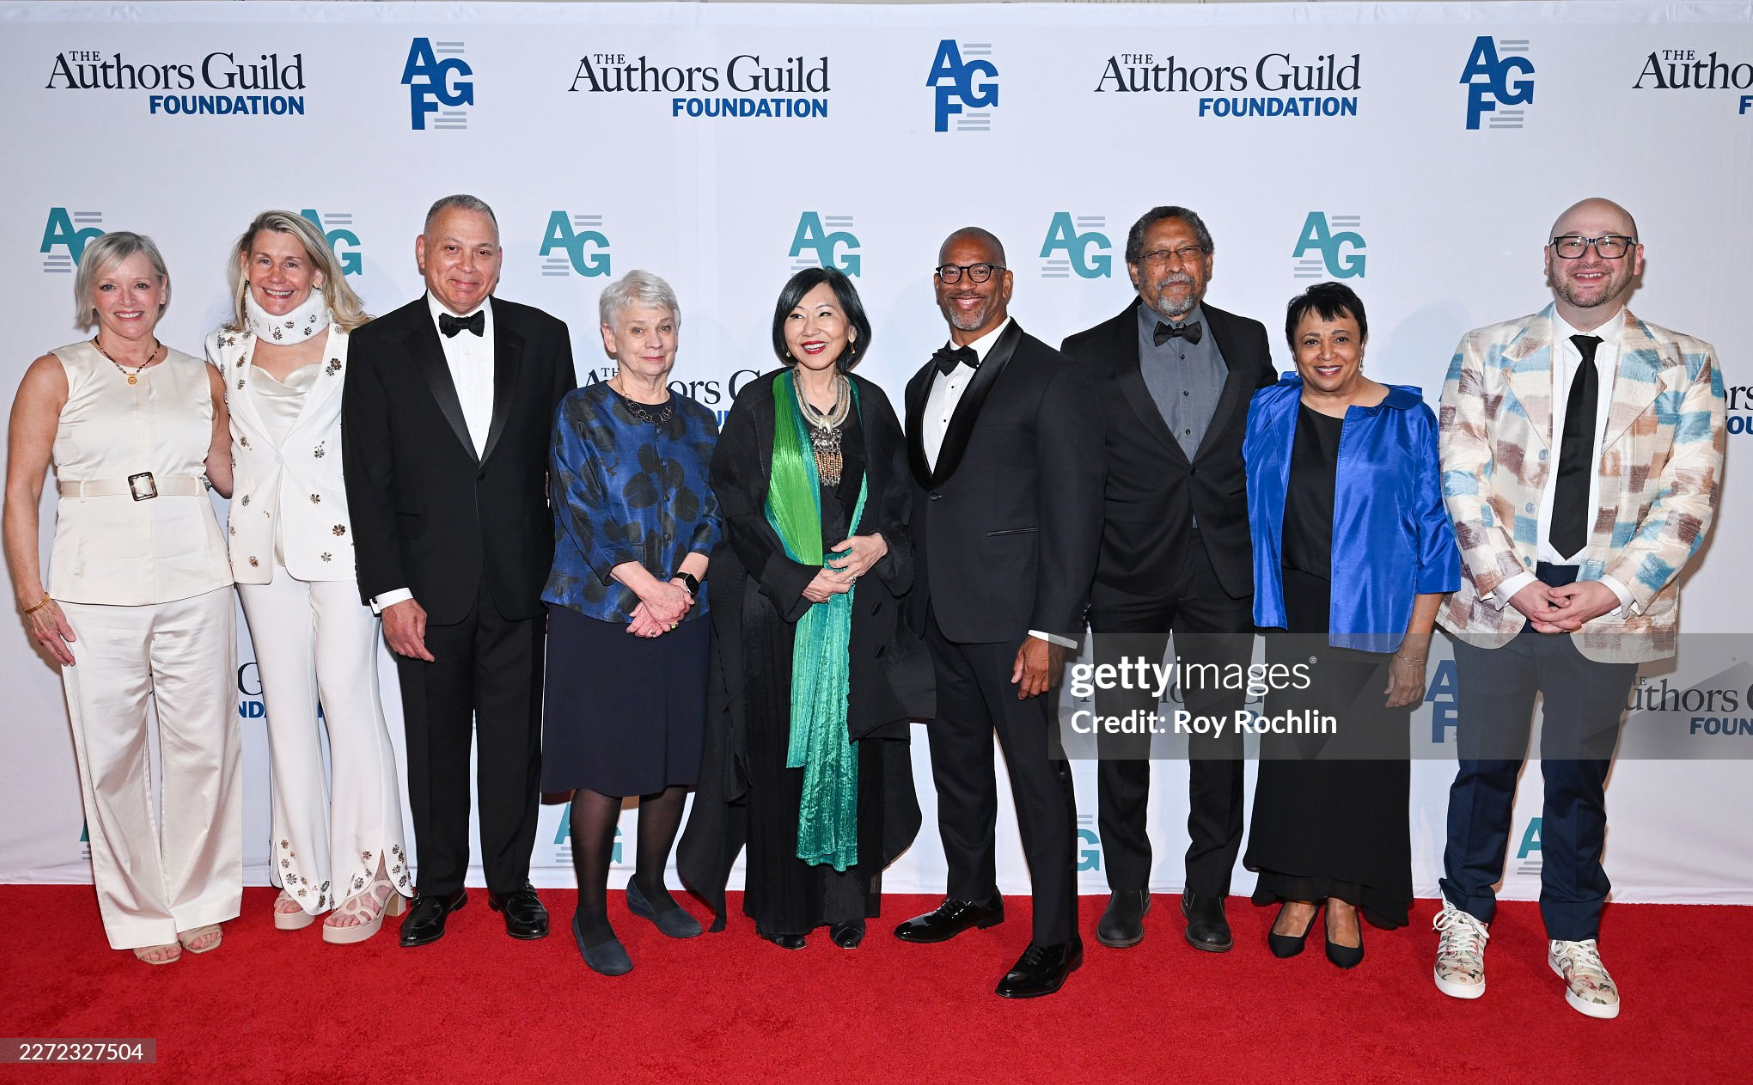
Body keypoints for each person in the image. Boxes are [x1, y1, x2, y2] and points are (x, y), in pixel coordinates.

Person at [1434, 198, 1725, 1018]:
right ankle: (1464, 914)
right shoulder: (1486, 352)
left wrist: (1611, 590)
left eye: (1607, 243)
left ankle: (1572, 934)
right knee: (1482, 773)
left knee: (1574, 785)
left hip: (1611, 613)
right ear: (1547, 257)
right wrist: (1512, 583)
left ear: (1637, 258)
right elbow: (1458, 478)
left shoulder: (1687, 364)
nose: (1588, 256)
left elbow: (1688, 498)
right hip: (1499, 605)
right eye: (1572, 242)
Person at [342, 194, 576, 948]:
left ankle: (512, 884)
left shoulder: (545, 337)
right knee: (435, 749)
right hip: (424, 591)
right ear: (421, 251)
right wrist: (389, 592)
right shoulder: (378, 346)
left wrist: (565, 581)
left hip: (520, 584)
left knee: (514, 746)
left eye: (482, 251)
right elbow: (366, 479)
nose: (466, 266)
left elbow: (566, 473)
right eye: (451, 249)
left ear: (500, 259)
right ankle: (438, 887)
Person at [679, 268, 929, 952]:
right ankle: (784, 906)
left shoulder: (874, 405)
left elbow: (902, 508)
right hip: (775, 615)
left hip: (858, 619)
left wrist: (879, 544)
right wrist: (795, 579)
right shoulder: (757, 405)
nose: (810, 328)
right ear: (782, 330)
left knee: (852, 758)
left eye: (825, 314)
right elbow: (734, 508)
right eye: (797, 315)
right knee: (777, 761)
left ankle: (845, 902)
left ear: (851, 328)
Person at [3, 232, 238, 964]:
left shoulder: (205, 376)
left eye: (142, 284)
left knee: (203, 749)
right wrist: (31, 593)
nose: (128, 300)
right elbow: (21, 489)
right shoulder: (54, 373)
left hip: (196, 577)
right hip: (90, 590)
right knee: (110, 757)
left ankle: (198, 897)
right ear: (90, 296)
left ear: (164, 289)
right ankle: (138, 912)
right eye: (111, 286)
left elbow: (231, 476)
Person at [893, 227, 1104, 998]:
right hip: (941, 615)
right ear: (937, 282)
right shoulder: (922, 380)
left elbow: (1075, 514)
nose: (964, 283)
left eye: (979, 270)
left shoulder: (1054, 376)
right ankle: (972, 891)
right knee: (957, 768)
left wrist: (1050, 629)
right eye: (950, 270)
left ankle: (1056, 936)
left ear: (1007, 282)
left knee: (1035, 779)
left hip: (1018, 622)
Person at [1059, 206, 1275, 952]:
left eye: (1187, 251)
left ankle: (1206, 894)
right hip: (1123, 572)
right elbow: (1074, 476)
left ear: (1208, 263)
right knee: (1123, 742)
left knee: (1217, 743)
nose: (1173, 265)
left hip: (1222, 570)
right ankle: (1125, 888)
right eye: (1157, 254)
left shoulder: (1248, 340)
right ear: (1132, 269)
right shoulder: (1084, 353)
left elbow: (1271, 453)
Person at [1240, 282, 1460, 968]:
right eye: (1310, 340)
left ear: (1361, 341)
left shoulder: (1406, 418)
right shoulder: (1269, 407)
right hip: (1291, 611)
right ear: (1293, 349)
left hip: (1375, 615)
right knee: (1296, 765)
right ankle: (1299, 889)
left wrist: (1415, 643)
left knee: (1360, 768)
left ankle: (1345, 897)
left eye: (1339, 337)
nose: (1325, 353)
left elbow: (1434, 533)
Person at [206, 210, 411, 943]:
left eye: (291, 263)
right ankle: (300, 871)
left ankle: (371, 871)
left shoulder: (362, 347)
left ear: (318, 270)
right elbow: (225, 463)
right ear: (245, 267)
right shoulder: (222, 350)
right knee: (287, 714)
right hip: (261, 556)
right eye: (263, 262)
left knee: (348, 701)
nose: (277, 278)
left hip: (345, 551)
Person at [542, 270, 720, 975]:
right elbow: (581, 512)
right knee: (605, 766)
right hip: (599, 612)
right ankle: (590, 908)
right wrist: (647, 591)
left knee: (674, 763)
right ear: (611, 337)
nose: (654, 342)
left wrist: (678, 589)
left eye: (664, 327)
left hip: (684, 610)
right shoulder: (580, 412)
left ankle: (649, 885)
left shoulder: (702, 422)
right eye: (638, 329)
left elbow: (715, 515)